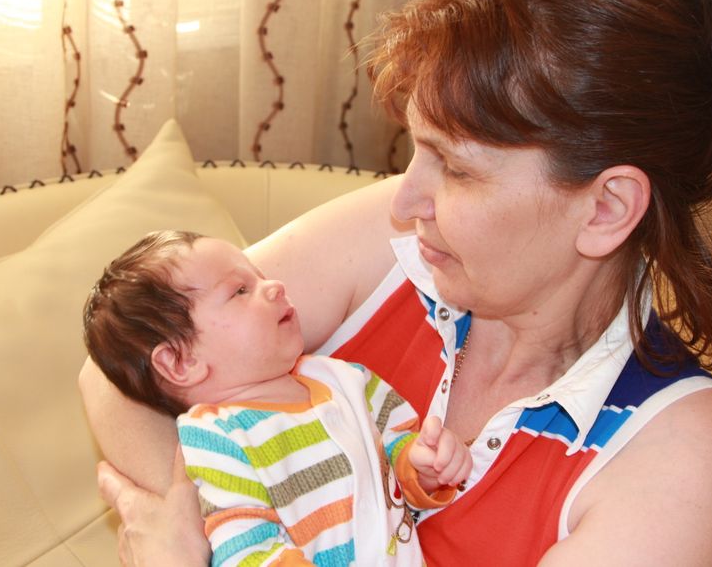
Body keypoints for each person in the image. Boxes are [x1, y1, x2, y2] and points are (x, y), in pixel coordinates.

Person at [79, 0, 712, 565]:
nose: (405, 200)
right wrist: (210, 519)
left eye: (457, 168)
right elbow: (120, 374)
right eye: (416, 148)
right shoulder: (397, 247)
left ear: (607, 207)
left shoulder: (680, 454)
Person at [82, 230, 472, 566]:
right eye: (239, 290)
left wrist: (421, 467)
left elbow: (398, 457)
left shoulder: (347, 379)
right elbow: (246, 550)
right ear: (181, 362)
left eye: (260, 277)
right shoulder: (217, 438)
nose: (275, 286)